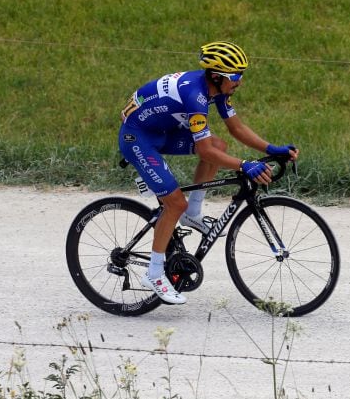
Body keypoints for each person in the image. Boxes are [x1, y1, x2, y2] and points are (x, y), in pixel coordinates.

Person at [118, 41, 298, 304]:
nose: (240, 82)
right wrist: (244, 165)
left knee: (219, 144)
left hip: (161, 130)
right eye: (236, 77)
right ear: (216, 76)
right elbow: (204, 152)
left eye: (242, 75)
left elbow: (236, 128)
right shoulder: (195, 96)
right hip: (138, 137)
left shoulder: (218, 89)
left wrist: (273, 148)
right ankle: (154, 273)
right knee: (174, 202)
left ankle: (193, 214)